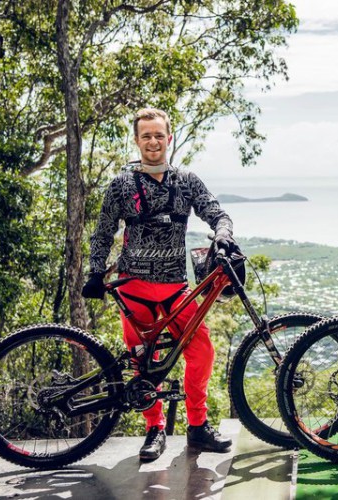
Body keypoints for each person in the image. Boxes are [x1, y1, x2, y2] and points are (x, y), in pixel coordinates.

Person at [82, 108, 238, 461]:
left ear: (169, 138)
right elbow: (103, 231)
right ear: (136, 141)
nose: (153, 141)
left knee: (202, 351)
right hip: (133, 287)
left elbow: (217, 213)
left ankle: (197, 427)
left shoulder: (186, 181)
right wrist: (94, 273)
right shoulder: (121, 185)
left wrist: (224, 235)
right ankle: (154, 430)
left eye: (159, 135)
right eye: (145, 135)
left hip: (175, 289)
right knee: (143, 362)